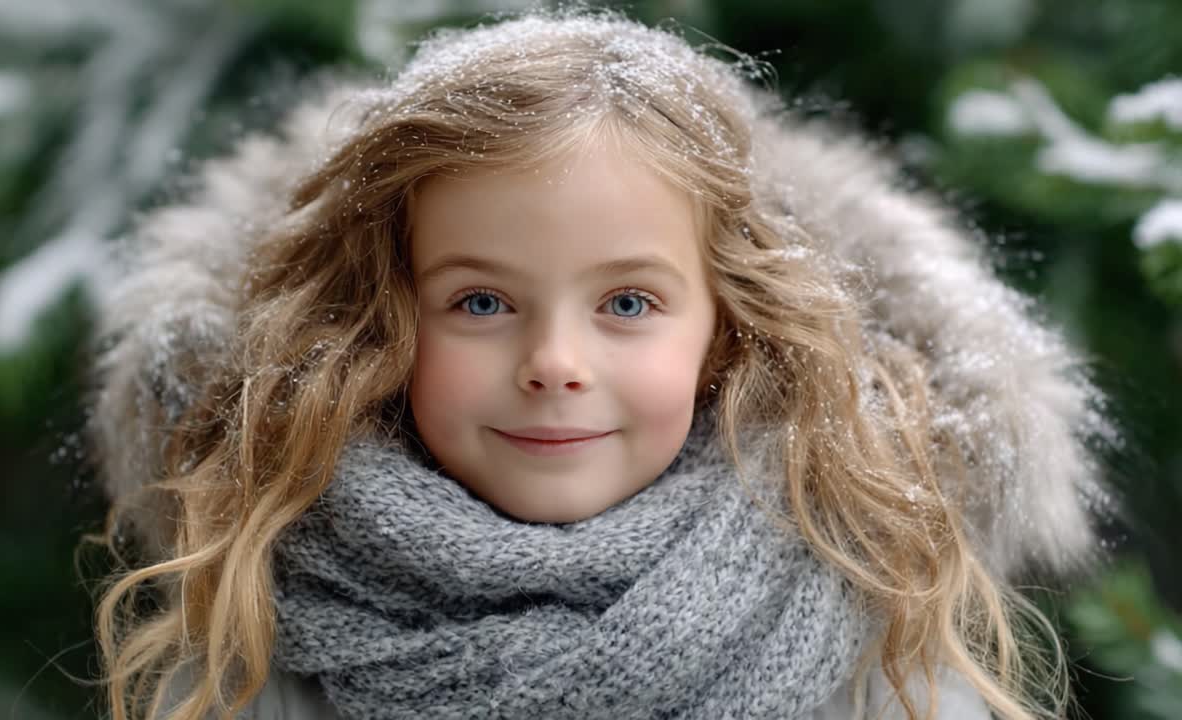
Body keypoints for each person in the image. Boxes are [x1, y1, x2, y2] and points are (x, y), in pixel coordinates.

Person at [86, 9, 1116, 720]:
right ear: (378, 323)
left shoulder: (868, 635)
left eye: (626, 304)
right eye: (481, 303)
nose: (553, 363)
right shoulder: (262, 633)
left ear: (728, 332)